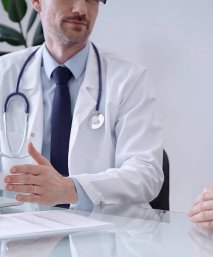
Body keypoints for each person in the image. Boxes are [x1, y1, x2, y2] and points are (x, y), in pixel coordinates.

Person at [0, 0, 163, 208]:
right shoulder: (4, 74)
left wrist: (72, 189)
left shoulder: (129, 79)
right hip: (23, 228)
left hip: (107, 233)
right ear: (37, 2)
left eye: (92, 0)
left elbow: (147, 172)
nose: (81, 10)